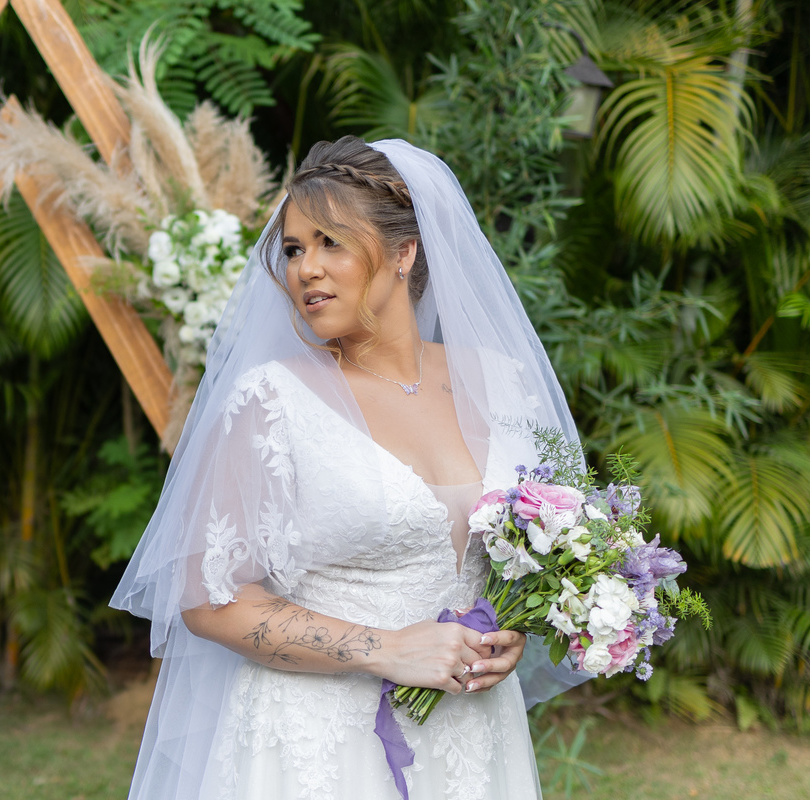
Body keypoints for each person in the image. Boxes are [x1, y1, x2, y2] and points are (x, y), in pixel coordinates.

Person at [112, 136, 584, 800]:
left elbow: (540, 553)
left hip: (473, 732)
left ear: (403, 252)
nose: (306, 269)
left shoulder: (503, 384)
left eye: (330, 242)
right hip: (318, 744)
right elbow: (210, 601)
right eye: (293, 249)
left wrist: (510, 633)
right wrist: (386, 649)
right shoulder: (272, 400)